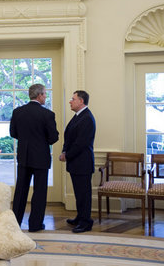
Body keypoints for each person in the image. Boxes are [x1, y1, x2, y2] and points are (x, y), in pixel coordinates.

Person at [10, 83, 59, 232]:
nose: (45, 97)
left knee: (20, 191)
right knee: (39, 192)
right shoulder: (48, 114)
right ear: (39, 95)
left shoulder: (17, 112)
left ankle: (15, 224)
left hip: (24, 156)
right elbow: (53, 138)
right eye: (44, 94)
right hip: (41, 158)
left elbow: (13, 133)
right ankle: (35, 225)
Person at [59, 90, 96, 233]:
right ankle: (80, 217)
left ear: (81, 101)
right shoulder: (78, 116)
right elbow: (69, 137)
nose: (70, 101)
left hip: (83, 163)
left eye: (73, 99)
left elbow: (81, 143)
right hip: (76, 163)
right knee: (79, 193)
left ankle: (86, 222)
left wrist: (66, 155)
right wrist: (64, 150)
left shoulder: (87, 118)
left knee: (84, 195)